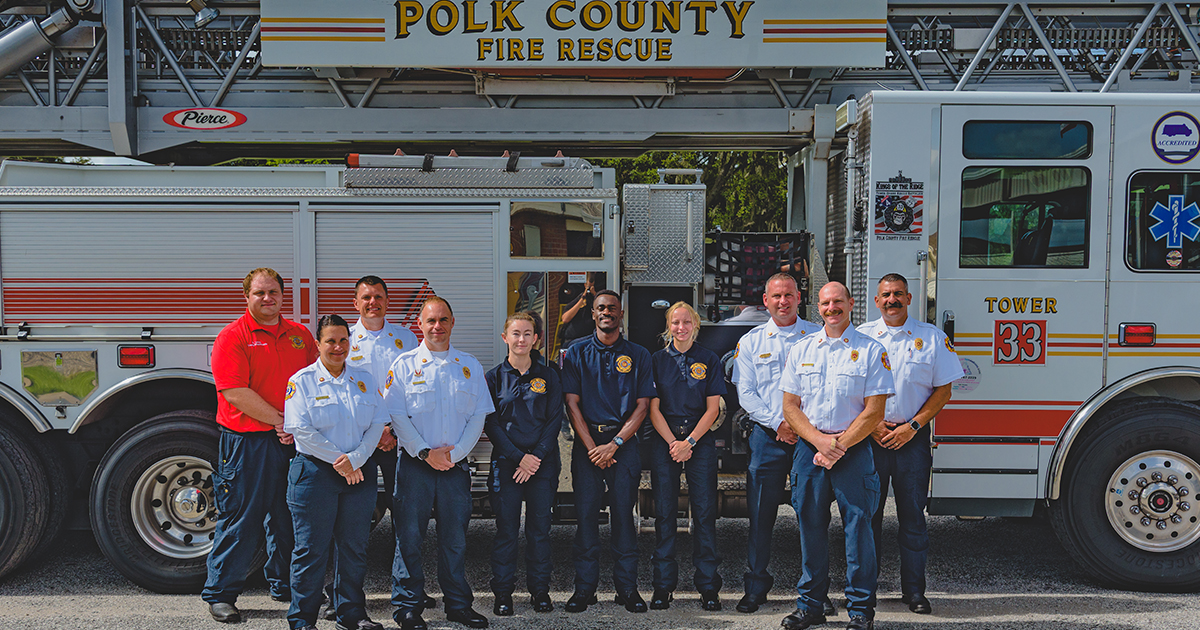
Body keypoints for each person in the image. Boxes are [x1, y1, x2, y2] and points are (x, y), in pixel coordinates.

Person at [202, 268, 316, 623]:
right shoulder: (233, 336)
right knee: (242, 517)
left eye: (273, 292)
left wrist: (300, 426)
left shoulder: (299, 335)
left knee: (291, 517)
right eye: (259, 293)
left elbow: (316, 380)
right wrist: (281, 421)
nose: (268, 299)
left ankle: (284, 584)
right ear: (246, 296)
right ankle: (221, 594)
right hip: (248, 442)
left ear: (283, 295)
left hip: (292, 441)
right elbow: (234, 391)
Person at [779, 282, 895, 630]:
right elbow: (790, 406)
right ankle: (811, 606)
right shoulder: (802, 349)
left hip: (853, 450)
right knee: (810, 528)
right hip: (810, 450)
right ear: (818, 307)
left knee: (859, 530)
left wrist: (838, 445)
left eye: (838, 301)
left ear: (851, 303)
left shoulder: (871, 350)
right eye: (826, 303)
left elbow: (875, 411)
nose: (832, 308)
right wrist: (819, 442)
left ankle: (860, 611)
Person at [318, 276, 431, 622]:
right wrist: (376, 430)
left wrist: (392, 429)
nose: (372, 302)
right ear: (356, 303)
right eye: (366, 297)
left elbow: (411, 388)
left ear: (387, 301)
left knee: (406, 517)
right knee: (349, 522)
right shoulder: (345, 340)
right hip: (360, 441)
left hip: (399, 439)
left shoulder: (406, 338)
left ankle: (409, 592)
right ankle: (339, 596)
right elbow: (345, 391)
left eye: (378, 296)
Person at [383, 296, 493, 630]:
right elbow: (397, 416)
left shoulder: (468, 366)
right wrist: (424, 452)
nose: (437, 326)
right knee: (409, 538)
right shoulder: (403, 365)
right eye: (431, 320)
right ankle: (407, 607)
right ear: (420, 324)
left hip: (454, 467)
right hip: (415, 466)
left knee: (455, 540)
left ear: (452, 322)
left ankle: (458, 605)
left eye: (443, 319)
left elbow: (478, 417)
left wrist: (454, 455)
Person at [857, 274, 961, 615]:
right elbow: (850, 389)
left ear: (909, 298)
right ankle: (865, 591)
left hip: (912, 440)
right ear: (876, 301)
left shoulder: (931, 338)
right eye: (886, 295)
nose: (892, 300)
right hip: (871, 440)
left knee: (913, 519)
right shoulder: (861, 337)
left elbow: (943, 391)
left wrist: (913, 426)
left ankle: (914, 592)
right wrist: (872, 426)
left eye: (898, 294)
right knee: (867, 519)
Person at [284, 314, 389, 630]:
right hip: (315, 474)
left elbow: (377, 423)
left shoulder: (364, 379)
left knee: (354, 548)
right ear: (318, 344)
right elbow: (301, 430)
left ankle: (351, 614)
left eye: (344, 340)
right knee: (311, 550)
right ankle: (302, 619)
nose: (338, 346)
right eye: (330, 340)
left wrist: (356, 458)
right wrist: (342, 461)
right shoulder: (301, 381)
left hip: (358, 472)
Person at [730, 273, 821, 614]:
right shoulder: (751, 342)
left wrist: (801, 427)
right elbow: (746, 393)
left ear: (799, 298)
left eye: (789, 295)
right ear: (765, 301)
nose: (783, 302)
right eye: (777, 296)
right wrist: (778, 423)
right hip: (767, 437)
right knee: (760, 515)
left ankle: (816, 590)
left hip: (808, 439)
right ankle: (755, 587)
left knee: (812, 515)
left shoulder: (818, 337)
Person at [561, 290, 656, 614]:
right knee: (586, 519)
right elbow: (571, 404)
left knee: (624, 520)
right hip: (588, 448)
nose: (606, 312)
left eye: (612, 308)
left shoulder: (639, 354)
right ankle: (584, 590)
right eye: (601, 308)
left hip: (623, 447)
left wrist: (614, 444)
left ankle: (627, 589)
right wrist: (593, 449)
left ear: (621, 313)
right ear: (593, 313)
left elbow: (642, 406)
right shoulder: (576, 352)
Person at [647, 302, 727, 611]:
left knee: (704, 514)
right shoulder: (656, 360)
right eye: (675, 323)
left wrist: (689, 441)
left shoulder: (709, 359)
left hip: (699, 441)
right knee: (665, 514)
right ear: (668, 326)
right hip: (666, 440)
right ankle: (663, 586)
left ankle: (708, 587)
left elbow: (713, 408)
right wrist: (674, 443)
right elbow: (653, 408)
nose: (681, 328)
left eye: (686, 322)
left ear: (696, 325)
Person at [484, 312, 564, 616]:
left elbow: (554, 420)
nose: (521, 339)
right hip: (508, 465)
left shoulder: (549, 376)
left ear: (536, 339)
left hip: (542, 464)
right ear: (505, 338)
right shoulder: (493, 378)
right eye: (516, 334)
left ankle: (540, 592)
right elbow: (491, 424)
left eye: (527, 334)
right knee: (506, 531)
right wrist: (520, 458)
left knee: (539, 530)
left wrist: (536, 457)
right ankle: (503, 593)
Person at [557, 274, 596, 349]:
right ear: (585, 285)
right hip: (572, 340)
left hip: (590, 340)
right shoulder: (577, 298)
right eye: (588, 286)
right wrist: (582, 298)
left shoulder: (596, 300)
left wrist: (594, 295)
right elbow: (565, 319)